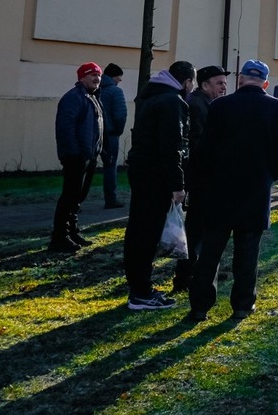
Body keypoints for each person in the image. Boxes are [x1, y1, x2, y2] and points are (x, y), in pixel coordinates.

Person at [187, 59, 278, 322]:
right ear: (265, 83)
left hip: (220, 189)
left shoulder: (220, 106)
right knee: (248, 252)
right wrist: (268, 177)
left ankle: (200, 306)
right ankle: (242, 305)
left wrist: (208, 178)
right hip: (255, 191)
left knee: (210, 252)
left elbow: (205, 150)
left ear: (241, 79)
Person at [123, 60, 195, 311]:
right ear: (187, 81)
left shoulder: (151, 95)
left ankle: (138, 287)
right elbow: (171, 146)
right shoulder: (172, 102)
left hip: (142, 170)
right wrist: (178, 185)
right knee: (147, 234)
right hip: (156, 176)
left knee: (138, 231)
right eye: (192, 83)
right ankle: (141, 293)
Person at [174, 64, 228, 293]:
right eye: (219, 83)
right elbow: (198, 143)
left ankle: (199, 270)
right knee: (196, 228)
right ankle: (185, 275)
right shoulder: (197, 104)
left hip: (205, 177)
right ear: (205, 84)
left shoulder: (207, 103)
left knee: (202, 228)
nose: (224, 87)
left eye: (225, 83)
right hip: (202, 178)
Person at [50, 62, 105, 253]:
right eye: (92, 75)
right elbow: (65, 128)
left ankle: (72, 232)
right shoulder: (74, 98)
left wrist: (98, 150)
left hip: (89, 156)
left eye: (99, 75)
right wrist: (74, 154)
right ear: (81, 77)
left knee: (78, 197)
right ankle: (59, 237)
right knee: (69, 196)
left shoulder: (92, 97)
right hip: (76, 157)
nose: (97, 78)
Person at [98, 63, 128, 209]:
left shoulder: (95, 89)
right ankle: (111, 199)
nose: (119, 81)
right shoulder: (115, 92)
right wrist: (118, 131)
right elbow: (120, 115)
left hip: (94, 133)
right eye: (118, 78)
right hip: (110, 135)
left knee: (86, 169)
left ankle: (76, 201)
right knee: (110, 167)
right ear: (113, 77)